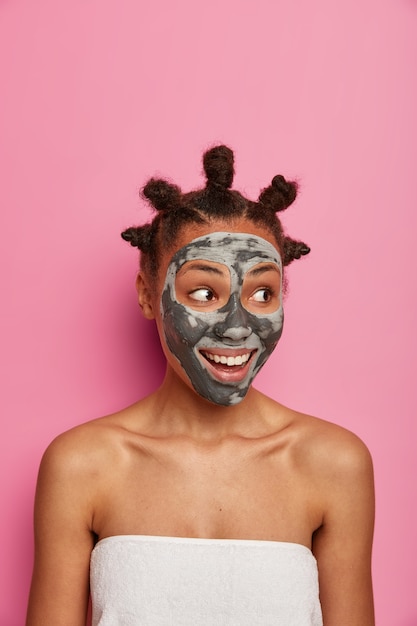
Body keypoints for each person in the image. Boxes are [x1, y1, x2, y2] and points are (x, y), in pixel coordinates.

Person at [26, 145, 375, 626]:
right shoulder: (83, 464)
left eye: (262, 292)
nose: (237, 326)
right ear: (149, 295)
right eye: (205, 293)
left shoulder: (332, 462)